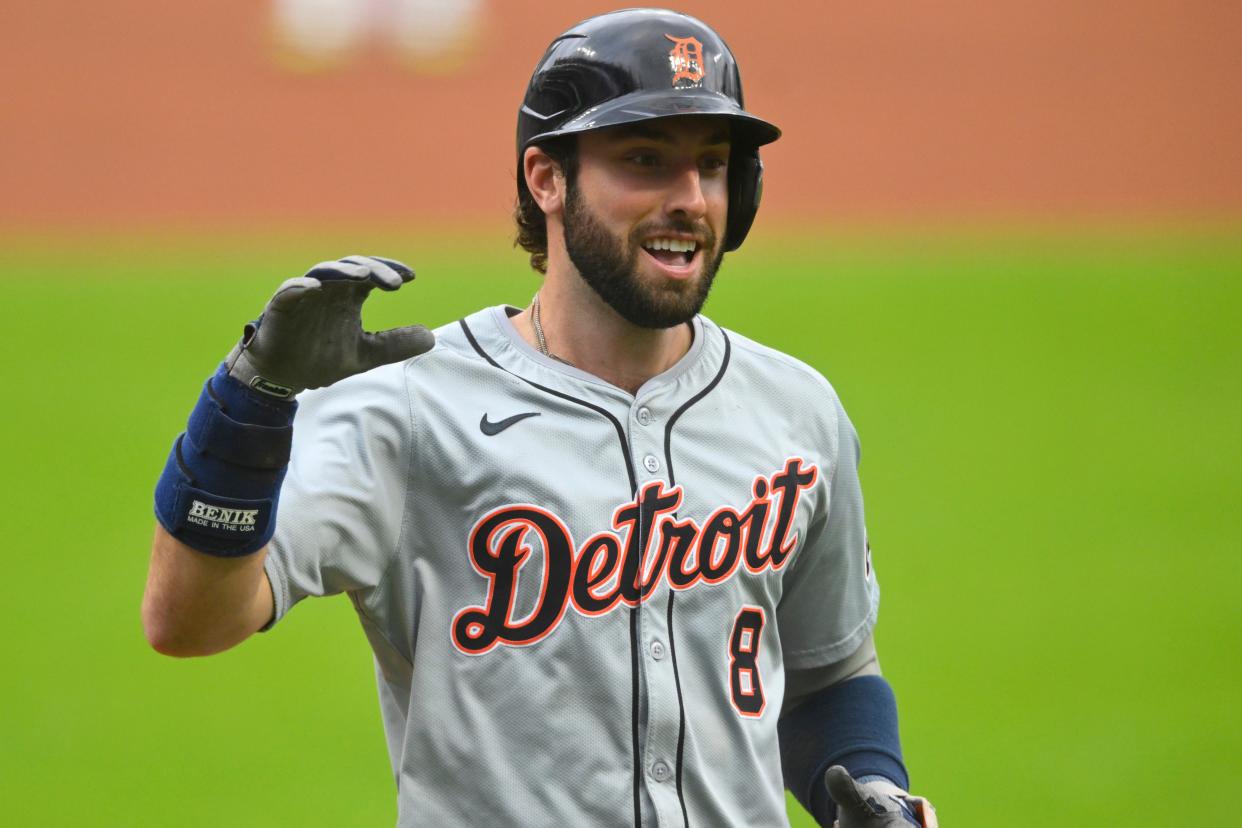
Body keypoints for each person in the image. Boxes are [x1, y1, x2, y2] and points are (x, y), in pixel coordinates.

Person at [142, 8, 937, 827]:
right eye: (644, 161)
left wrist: (872, 788)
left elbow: (830, 674)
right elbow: (189, 619)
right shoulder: (408, 408)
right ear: (546, 178)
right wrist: (250, 404)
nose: (689, 199)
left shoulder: (796, 410)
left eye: (712, 164)